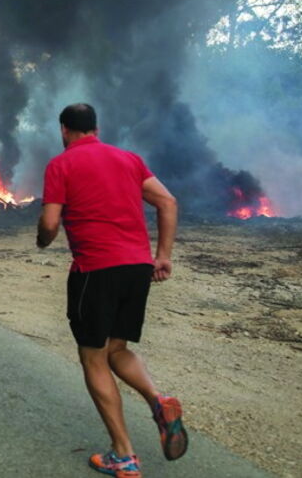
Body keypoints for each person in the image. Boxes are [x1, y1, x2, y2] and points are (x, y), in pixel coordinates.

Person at [36, 103, 186, 478]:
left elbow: (50, 223)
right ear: (96, 129)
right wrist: (163, 256)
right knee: (116, 348)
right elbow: (167, 201)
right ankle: (159, 400)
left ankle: (124, 455)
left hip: (95, 270)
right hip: (137, 268)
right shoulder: (129, 159)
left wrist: (43, 239)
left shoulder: (61, 165)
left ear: (64, 130)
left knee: (93, 357)